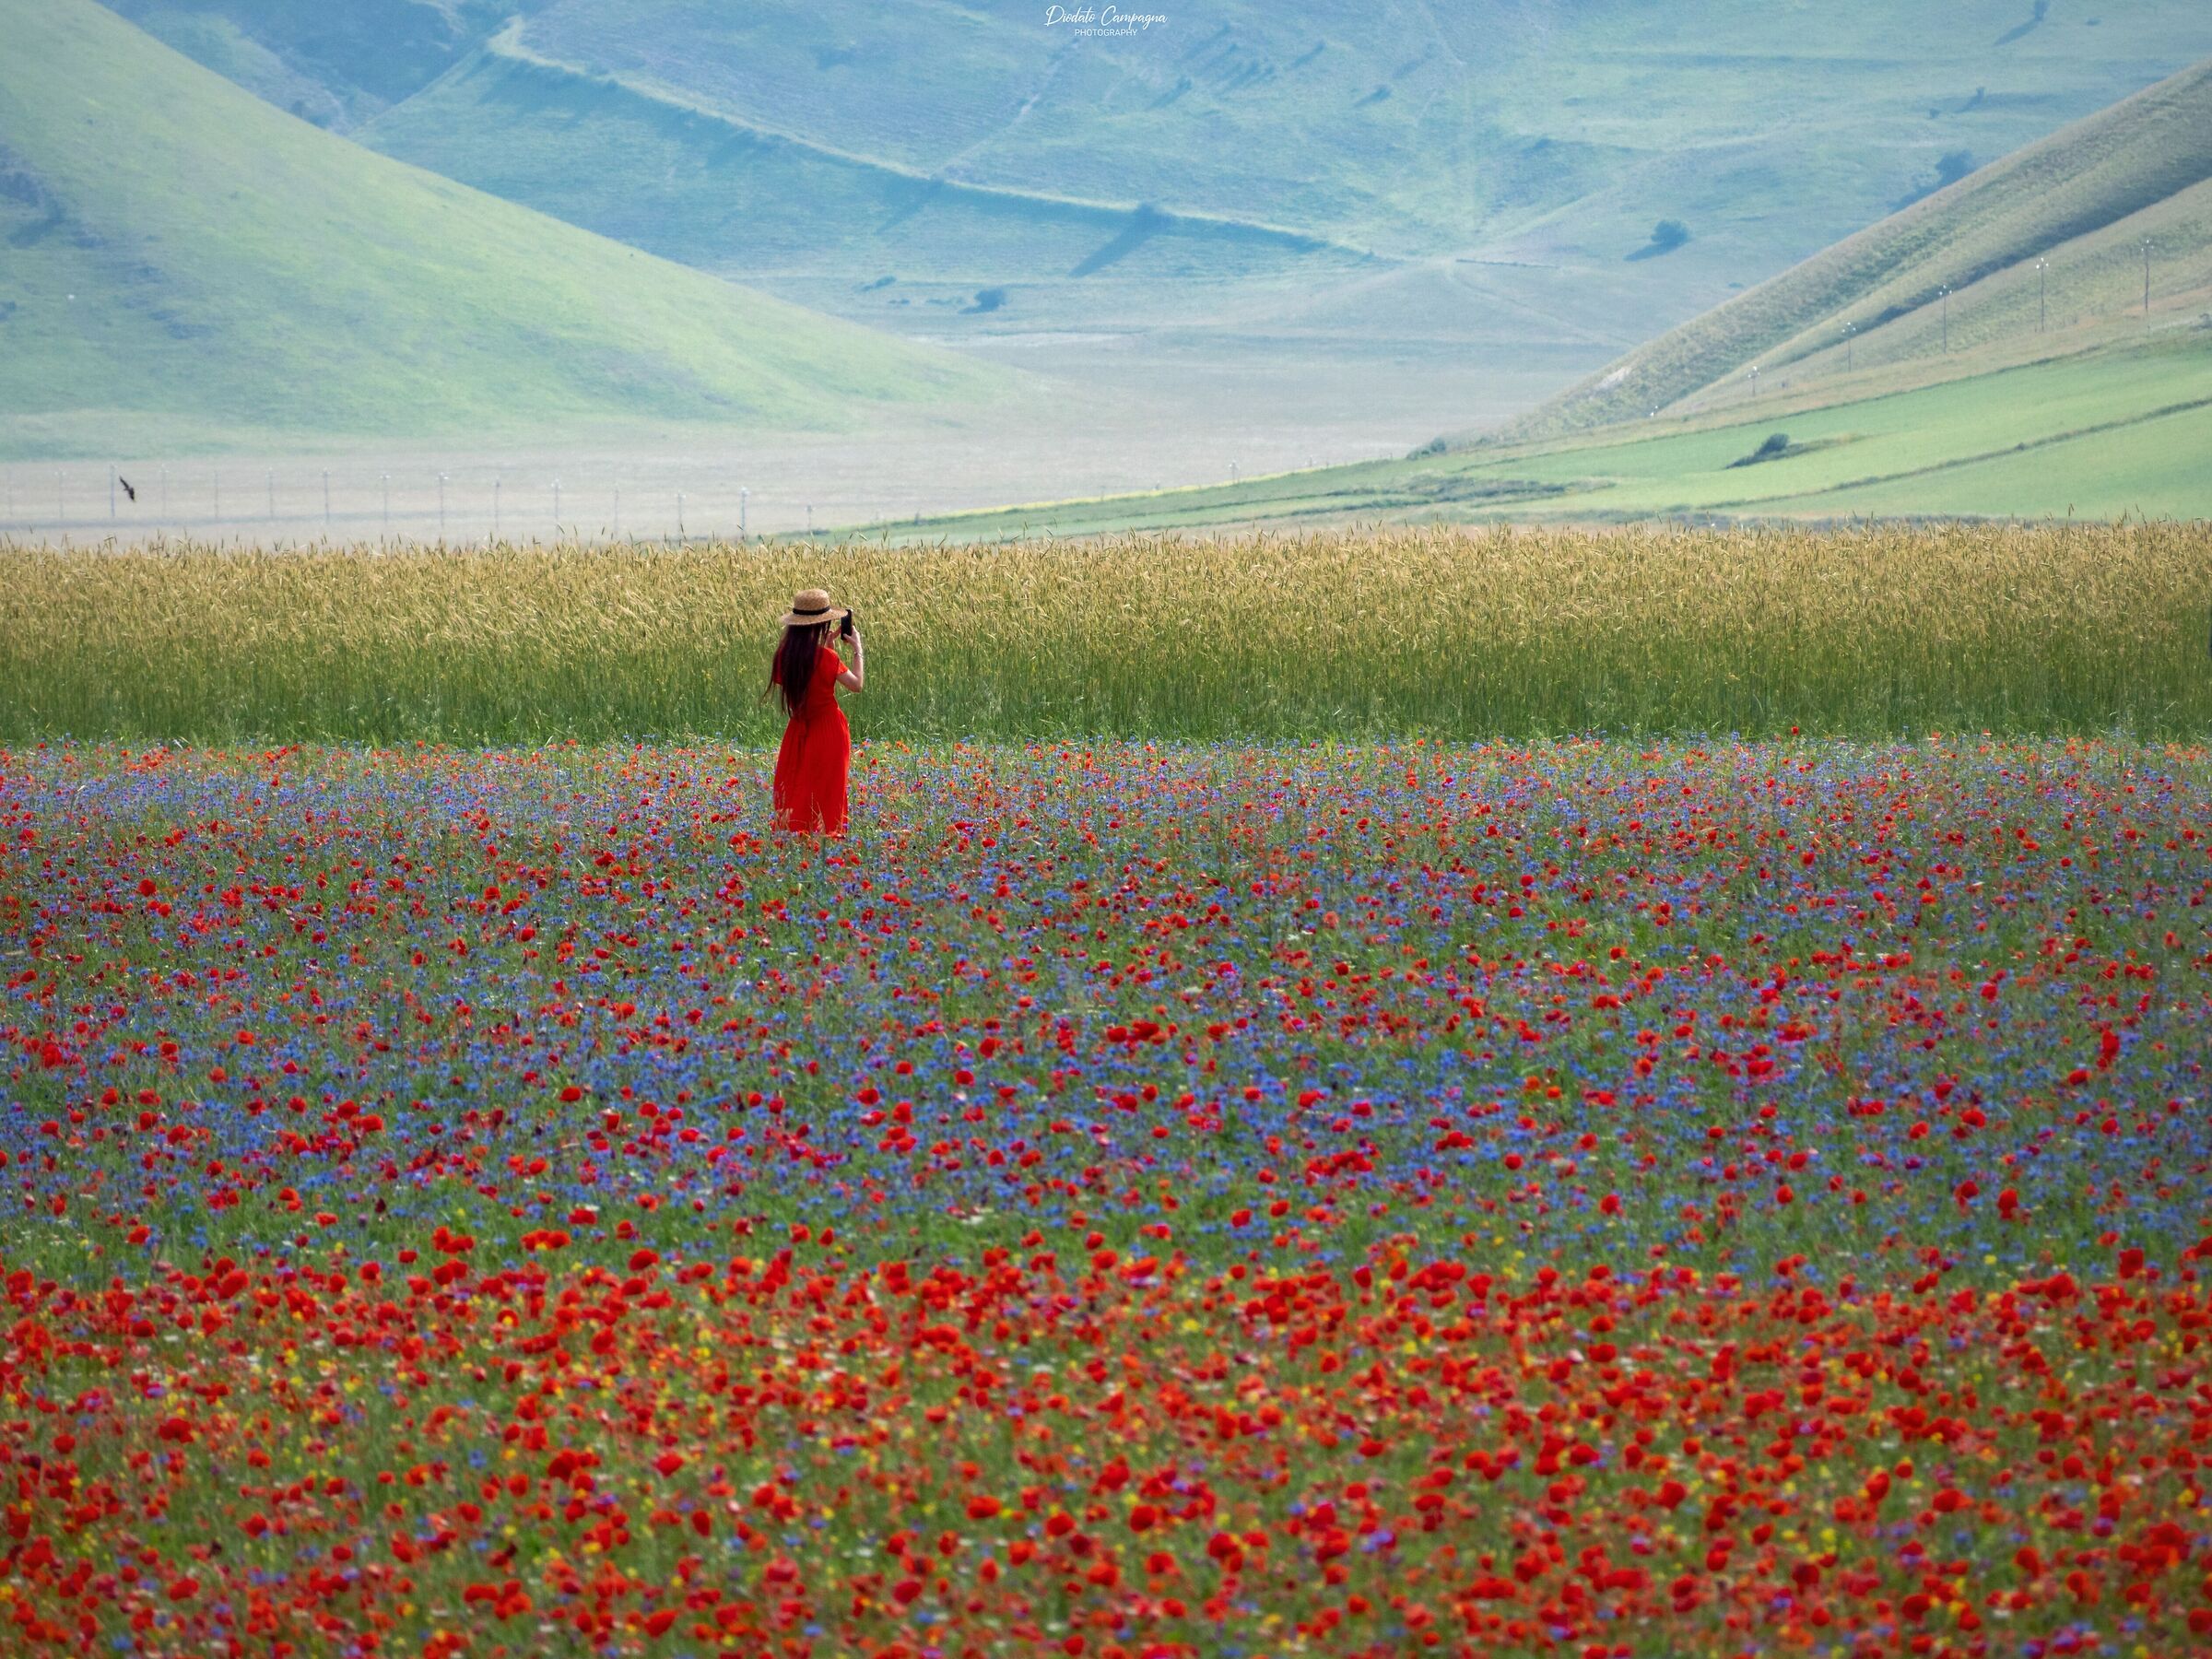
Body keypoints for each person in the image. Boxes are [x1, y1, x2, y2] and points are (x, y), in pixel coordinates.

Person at [769, 588, 864, 833]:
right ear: (822, 625)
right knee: (828, 787)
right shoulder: (827, 659)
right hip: (829, 729)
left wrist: (828, 648)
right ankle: (827, 839)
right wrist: (857, 649)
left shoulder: (783, 657)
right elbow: (857, 684)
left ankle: (796, 837)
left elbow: (805, 675)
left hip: (798, 729)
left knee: (800, 784)